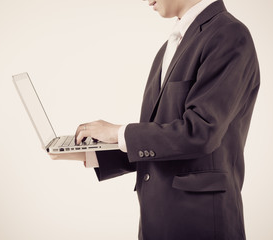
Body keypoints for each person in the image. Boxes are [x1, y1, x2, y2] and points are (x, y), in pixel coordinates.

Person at [50, 0, 260, 239]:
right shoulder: (171, 45)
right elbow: (163, 142)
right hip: (157, 222)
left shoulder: (229, 35)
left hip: (199, 223)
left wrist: (120, 133)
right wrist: (90, 152)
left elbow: (201, 132)